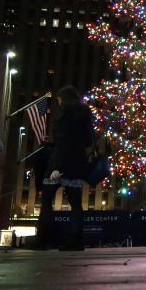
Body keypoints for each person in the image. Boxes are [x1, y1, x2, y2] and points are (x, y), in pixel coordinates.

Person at [33, 86, 94, 251]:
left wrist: (56, 167)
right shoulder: (85, 114)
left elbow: (63, 142)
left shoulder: (62, 115)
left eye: (59, 99)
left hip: (59, 164)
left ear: (64, 99)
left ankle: (42, 240)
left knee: (46, 200)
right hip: (77, 163)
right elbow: (88, 141)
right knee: (76, 203)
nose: (58, 102)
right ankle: (75, 240)